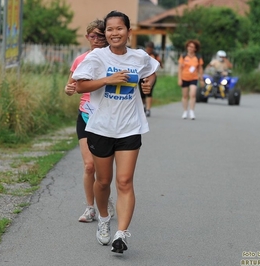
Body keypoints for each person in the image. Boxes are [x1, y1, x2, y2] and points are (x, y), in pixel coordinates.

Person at [72, 10, 159, 254]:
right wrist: (107, 81)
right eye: (110, 29)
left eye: (119, 28)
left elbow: (151, 70)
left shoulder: (139, 57)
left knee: (124, 181)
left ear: (129, 32)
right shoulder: (97, 57)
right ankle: (102, 218)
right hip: (101, 127)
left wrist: (148, 82)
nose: (114, 33)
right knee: (103, 181)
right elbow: (80, 86)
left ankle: (121, 234)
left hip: (130, 127)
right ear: (106, 33)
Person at [64, 19, 115, 223]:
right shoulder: (80, 60)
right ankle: (90, 208)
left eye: (100, 36)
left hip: (106, 117)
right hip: (85, 115)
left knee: (104, 169)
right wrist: (68, 90)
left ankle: (104, 197)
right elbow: (71, 87)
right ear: (87, 37)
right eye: (91, 36)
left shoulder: (113, 60)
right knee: (89, 166)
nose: (95, 40)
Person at [178, 39, 204, 120]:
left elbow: (200, 69)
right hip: (184, 77)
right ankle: (185, 111)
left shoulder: (198, 57)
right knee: (185, 96)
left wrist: (201, 79)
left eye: (192, 47)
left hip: (194, 78)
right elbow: (179, 68)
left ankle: (192, 111)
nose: (190, 48)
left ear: (195, 48)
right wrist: (179, 79)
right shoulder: (183, 56)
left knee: (192, 94)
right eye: (189, 46)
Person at [138, 41, 163, 117]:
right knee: (142, 93)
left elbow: (160, 64)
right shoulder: (142, 54)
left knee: (149, 92)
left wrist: (158, 63)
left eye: (150, 49)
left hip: (151, 76)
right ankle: (143, 106)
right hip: (142, 75)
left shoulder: (155, 55)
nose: (148, 50)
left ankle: (148, 109)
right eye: (147, 48)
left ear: (152, 49)